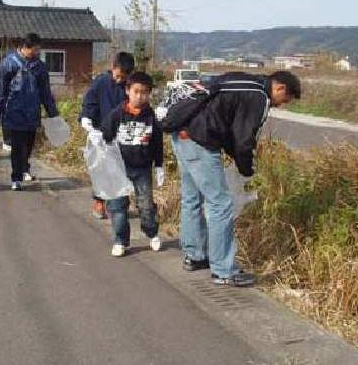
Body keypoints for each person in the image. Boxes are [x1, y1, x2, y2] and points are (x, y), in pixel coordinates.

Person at [169, 70, 301, 286]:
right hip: (201, 143)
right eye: (284, 100)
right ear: (280, 88)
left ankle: (195, 256)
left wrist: (236, 158)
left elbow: (229, 125)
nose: (281, 105)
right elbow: (243, 138)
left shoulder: (242, 81)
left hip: (182, 135)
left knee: (192, 200)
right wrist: (246, 169)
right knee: (220, 205)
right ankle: (224, 270)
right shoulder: (259, 96)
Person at [101, 71, 165, 257]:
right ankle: (120, 240)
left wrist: (159, 165)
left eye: (145, 92)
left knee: (145, 205)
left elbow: (157, 143)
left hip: (143, 168)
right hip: (118, 168)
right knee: (118, 207)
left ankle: (151, 232)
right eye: (136, 91)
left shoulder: (151, 117)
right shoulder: (117, 114)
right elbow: (106, 135)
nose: (140, 96)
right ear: (128, 91)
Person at [0, 33, 58, 191]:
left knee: (28, 146)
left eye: (38, 50)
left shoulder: (40, 67)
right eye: (34, 50)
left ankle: (24, 168)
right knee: (17, 147)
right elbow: (1, 90)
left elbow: (45, 92)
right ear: (24, 48)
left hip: (32, 112)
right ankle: (16, 178)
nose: (36, 53)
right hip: (13, 112)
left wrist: (52, 112)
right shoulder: (8, 64)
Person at [80, 51, 135, 219]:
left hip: (123, 133)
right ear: (113, 67)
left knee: (120, 169)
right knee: (101, 168)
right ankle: (99, 201)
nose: (119, 80)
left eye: (123, 78)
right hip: (101, 133)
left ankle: (118, 204)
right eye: (118, 76)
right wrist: (86, 117)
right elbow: (90, 102)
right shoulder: (101, 83)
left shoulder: (130, 87)